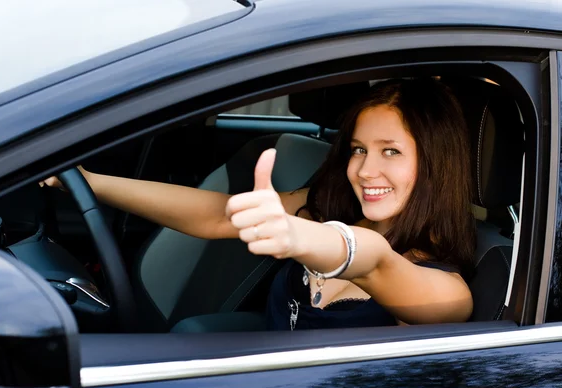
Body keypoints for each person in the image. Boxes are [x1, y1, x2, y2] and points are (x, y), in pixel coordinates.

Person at [43, 78, 476, 331]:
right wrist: (91, 183)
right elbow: (216, 215)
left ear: (437, 164)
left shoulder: (447, 294)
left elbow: (376, 263)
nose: (364, 171)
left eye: (391, 152)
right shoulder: (326, 203)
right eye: (359, 149)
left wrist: (298, 237)